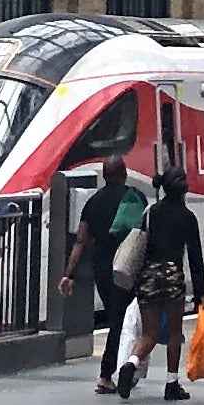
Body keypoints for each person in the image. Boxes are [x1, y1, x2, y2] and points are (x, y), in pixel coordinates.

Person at [114, 167, 204, 401]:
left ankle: (131, 364)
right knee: (174, 332)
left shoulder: (151, 213)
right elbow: (195, 257)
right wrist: (202, 294)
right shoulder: (187, 217)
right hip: (171, 276)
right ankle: (171, 383)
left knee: (149, 333)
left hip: (148, 276)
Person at [72, 157, 147, 389]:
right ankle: (111, 373)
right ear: (125, 173)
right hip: (127, 266)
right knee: (122, 320)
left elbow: (81, 240)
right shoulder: (135, 197)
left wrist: (68, 273)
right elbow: (143, 233)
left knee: (118, 317)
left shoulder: (93, 202)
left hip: (102, 268)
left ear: (104, 175)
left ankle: (120, 370)